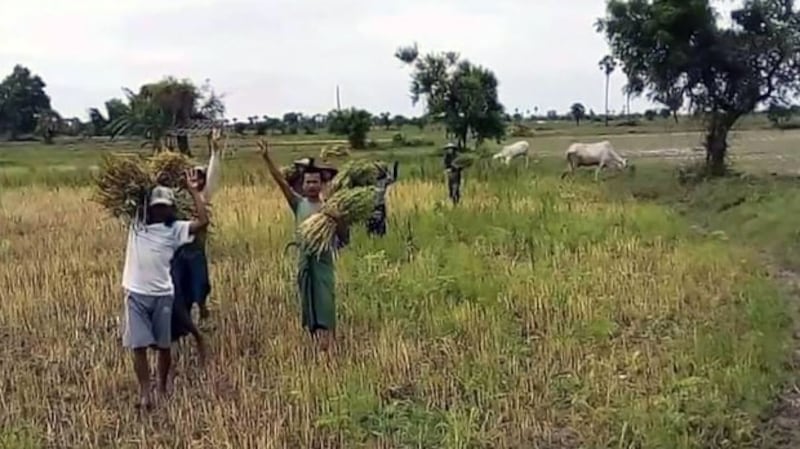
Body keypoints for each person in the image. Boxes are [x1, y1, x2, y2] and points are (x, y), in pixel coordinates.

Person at [121, 174, 209, 410]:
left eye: (165, 208)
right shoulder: (137, 225)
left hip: (163, 295)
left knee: (164, 346)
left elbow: (202, 222)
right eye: (156, 207)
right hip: (135, 294)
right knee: (138, 346)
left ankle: (161, 387)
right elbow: (128, 195)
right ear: (149, 208)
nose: (160, 211)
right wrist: (145, 181)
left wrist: (193, 192)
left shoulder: (175, 230)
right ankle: (145, 393)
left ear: (171, 209)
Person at [258, 140, 346, 353]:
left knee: (326, 300)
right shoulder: (298, 204)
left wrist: (339, 219)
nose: (312, 186)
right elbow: (281, 182)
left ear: (321, 185)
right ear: (303, 185)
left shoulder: (329, 208)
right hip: (304, 261)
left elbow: (343, 234)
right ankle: (316, 343)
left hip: (323, 262)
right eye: (308, 182)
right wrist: (266, 158)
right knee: (308, 302)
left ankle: (330, 342)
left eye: (315, 182)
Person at [168, 128, 223, 375]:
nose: (198, 180)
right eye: (193, 177)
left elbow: (213, 174)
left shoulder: (204, 196)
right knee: (180, 294)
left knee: (201, 286)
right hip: (179, 256)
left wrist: (215, 150)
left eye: (200, 177)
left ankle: (201, 307)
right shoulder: (178, 201)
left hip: (196, 254)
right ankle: (182, 326)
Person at [367, 161, 399, 237]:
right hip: (371, 206)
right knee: (371, 225)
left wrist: (395, 168)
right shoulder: (370, 180)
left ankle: (380, 236)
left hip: (380, 206)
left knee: (381, 224)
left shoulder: (384, 180)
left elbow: (393, 179)